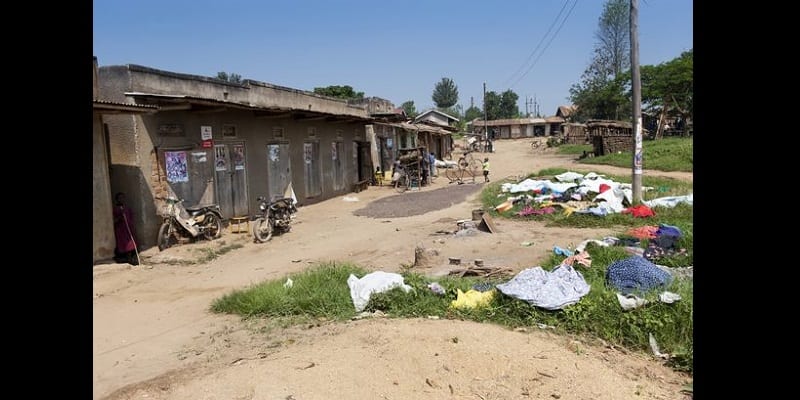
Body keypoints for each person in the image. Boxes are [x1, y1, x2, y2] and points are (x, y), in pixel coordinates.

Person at [113, 192, 139, 265]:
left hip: (128, 229)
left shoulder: (127, 209)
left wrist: (132, 226)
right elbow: (114, 220)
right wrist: (120, 218)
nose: (122, 199)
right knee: (124, 244)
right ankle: (126, 259)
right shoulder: (116, 209)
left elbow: (131, 218)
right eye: (120, 198)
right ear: (117, 200)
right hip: (121, 230)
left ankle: (131, 259)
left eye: (123, 198)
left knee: (131, 243)